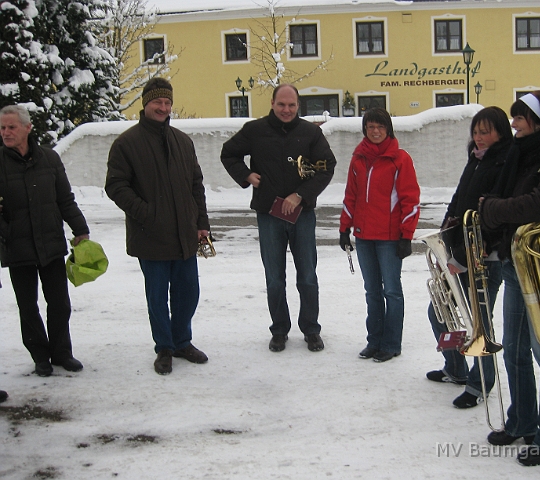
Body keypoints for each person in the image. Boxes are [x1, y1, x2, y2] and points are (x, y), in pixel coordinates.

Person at [479, 91, 540, 466]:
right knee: (517, 351)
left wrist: (496, 210)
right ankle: (523, 421)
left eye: (520, 118)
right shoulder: (518, 157)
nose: (515, 125)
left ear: (539, 120)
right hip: (513, 262)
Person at [105, 78, 211, 375]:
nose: (163, 108)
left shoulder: (182, 141)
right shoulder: (127, 144)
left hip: (185, 234)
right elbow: (116, 186)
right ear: (146, 103)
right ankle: (164, 347)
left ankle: (182, 341)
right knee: (157, 297)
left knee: (188, 292)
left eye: (167, 103)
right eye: (157, 102)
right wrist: (147, 213)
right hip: (149, 236)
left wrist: (201, 222)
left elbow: (196, 185)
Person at [220, 84, 336, 353]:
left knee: (307, 276)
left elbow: (327, 167)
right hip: (268, 213)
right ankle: (279, 330)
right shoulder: (255, 130)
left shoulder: (310, 133)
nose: (286, 110)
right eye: (281, 104)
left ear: (298, 106)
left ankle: (311, 329)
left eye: (292, 105)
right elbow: (229, 153)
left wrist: (301, 194)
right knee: (274, 278)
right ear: (272, 103)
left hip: (302, 215)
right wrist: (246, 175)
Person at [425, 107, 512, 407]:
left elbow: (492, 220)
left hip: (483, 259)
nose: (478, 137)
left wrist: (461, 257)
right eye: (476, 131)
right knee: (439, 312)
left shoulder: (504, 163)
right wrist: (444, 239)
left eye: (485, 131)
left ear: (501, 132)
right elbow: (459, 202)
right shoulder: (476, 159)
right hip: (461, 251)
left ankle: (481, 384)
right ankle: (456, 368)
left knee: (479, 326)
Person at [0, 105, 89, 377]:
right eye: (2, 128)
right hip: (17, 247)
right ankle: (40, 355)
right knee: (28, 306)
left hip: (50, 243)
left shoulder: (49, 159)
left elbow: (65, 199)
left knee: (59, 303)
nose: (6, 133)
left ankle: (62, 352)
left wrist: (80, 229)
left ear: (27, 128)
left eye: (11, 127)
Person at [339, 108, 420, 363]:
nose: (375, 131)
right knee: (372, 291)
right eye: (370, 127)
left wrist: (406, 236)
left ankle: (391, 343)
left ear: (388, 129)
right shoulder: (358, 158)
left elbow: (411, 200)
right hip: (364, 237)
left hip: (389, 238)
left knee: (392, 291)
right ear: (365, 129)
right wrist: (345, 227)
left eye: (380, 127)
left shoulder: (399, 159)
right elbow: (350, 196)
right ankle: (374, 341)